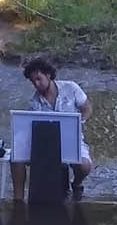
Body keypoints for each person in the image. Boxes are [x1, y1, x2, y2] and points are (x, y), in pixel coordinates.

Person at [11, 56, 93, 201]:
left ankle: (77, 183)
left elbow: (87, 108)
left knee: (84, 166)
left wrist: (81, 121)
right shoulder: (33, 103)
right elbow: (28, 129)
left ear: (48, 74)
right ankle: (18, 201)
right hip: (46, 145)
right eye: (32, 81)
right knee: (15, 157)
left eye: (38, 79)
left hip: (71, 140)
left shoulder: (71, 88)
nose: (36, 84)